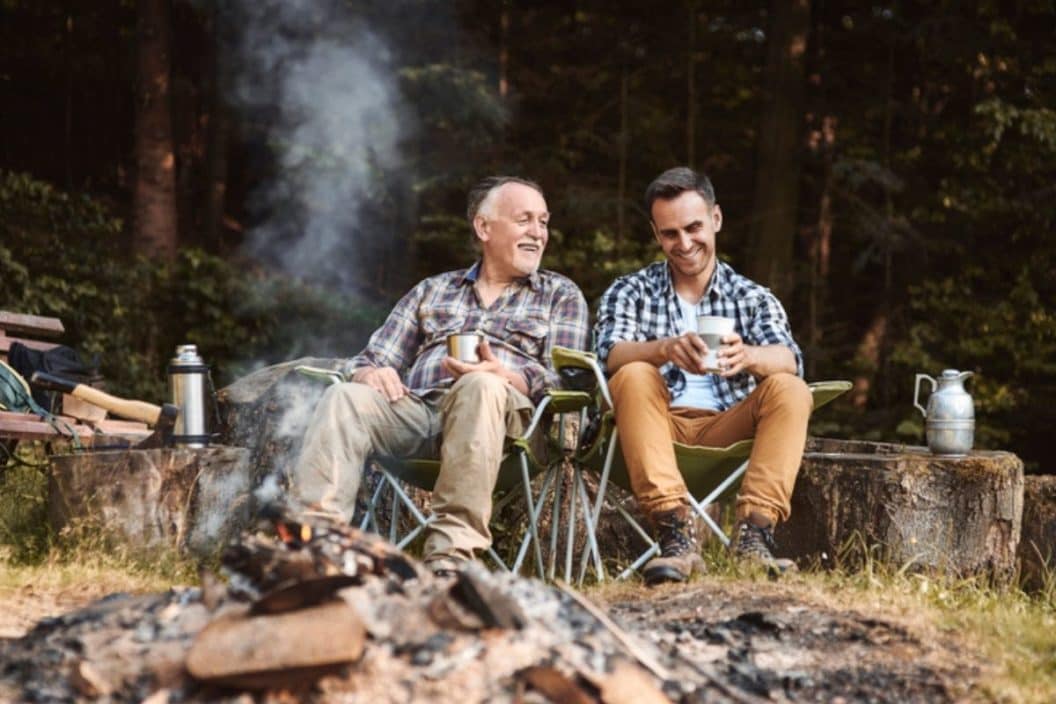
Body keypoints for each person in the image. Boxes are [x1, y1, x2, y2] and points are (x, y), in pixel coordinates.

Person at [289, 175, 590, 576]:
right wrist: (369, 373)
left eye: (544, 221)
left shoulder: (559, 294)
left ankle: (451, 557)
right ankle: (315, 551)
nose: (538, 233)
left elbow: (568, 383)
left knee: (481, 384)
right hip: (421, 412)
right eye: (525, 220)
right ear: (484, 228)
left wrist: (507, 375)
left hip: (509, 426)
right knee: (346, 397)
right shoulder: (433, 291)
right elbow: (370, 357)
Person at [593, 166, 813, 585]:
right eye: (670, 233)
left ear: (716, 219)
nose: (684, 243)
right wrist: (663, 349)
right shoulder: (631, 290)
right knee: (633, 372)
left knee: (790, 388)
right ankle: (675, 535)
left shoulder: (751, 296)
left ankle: (755, 535)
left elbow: (791, 358)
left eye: (694, 227)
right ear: (656, 235)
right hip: (655, 428)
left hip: (726, 428)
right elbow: (608, 353)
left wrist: (748, 356)